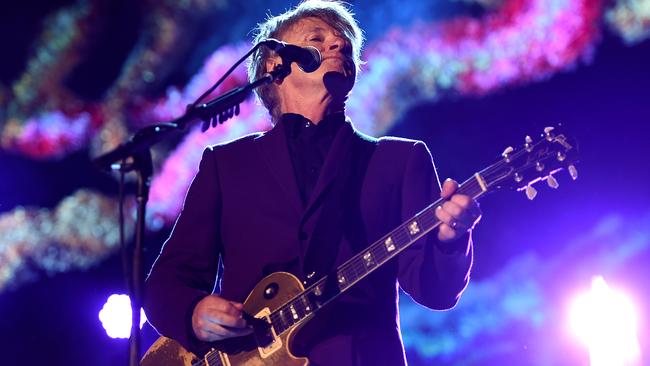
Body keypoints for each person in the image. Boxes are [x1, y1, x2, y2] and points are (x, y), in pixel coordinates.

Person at [144, 1, 481, 365]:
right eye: (317, 39)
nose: (338, 46)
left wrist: (451, 240)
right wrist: (193, 313)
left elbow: (436, 292)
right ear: (274, 64)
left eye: (345, 44)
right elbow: (168, 281)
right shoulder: (226, 165)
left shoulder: (400, 161)